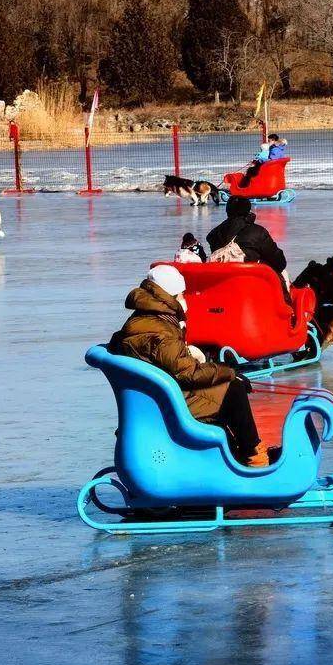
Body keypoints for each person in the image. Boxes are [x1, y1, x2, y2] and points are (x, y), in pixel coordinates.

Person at [107, 265, 270, 467]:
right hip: (168, 404)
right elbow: (187, 373)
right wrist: (229, 372)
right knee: (233, 390)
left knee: (226, 390)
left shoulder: (143, 320)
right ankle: (254, 456)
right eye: (182, 295)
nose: (185, 300)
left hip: (158, 398)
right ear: (171, 297)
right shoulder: (161, 331)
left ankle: (234, 455)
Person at [206, 196, 287, 276]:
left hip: (222, 281)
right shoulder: (258, 232)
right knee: (282, 273)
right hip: (251, 281)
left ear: (227, 211)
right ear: (248, 210)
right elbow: (279, 262)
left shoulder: (214, 234)